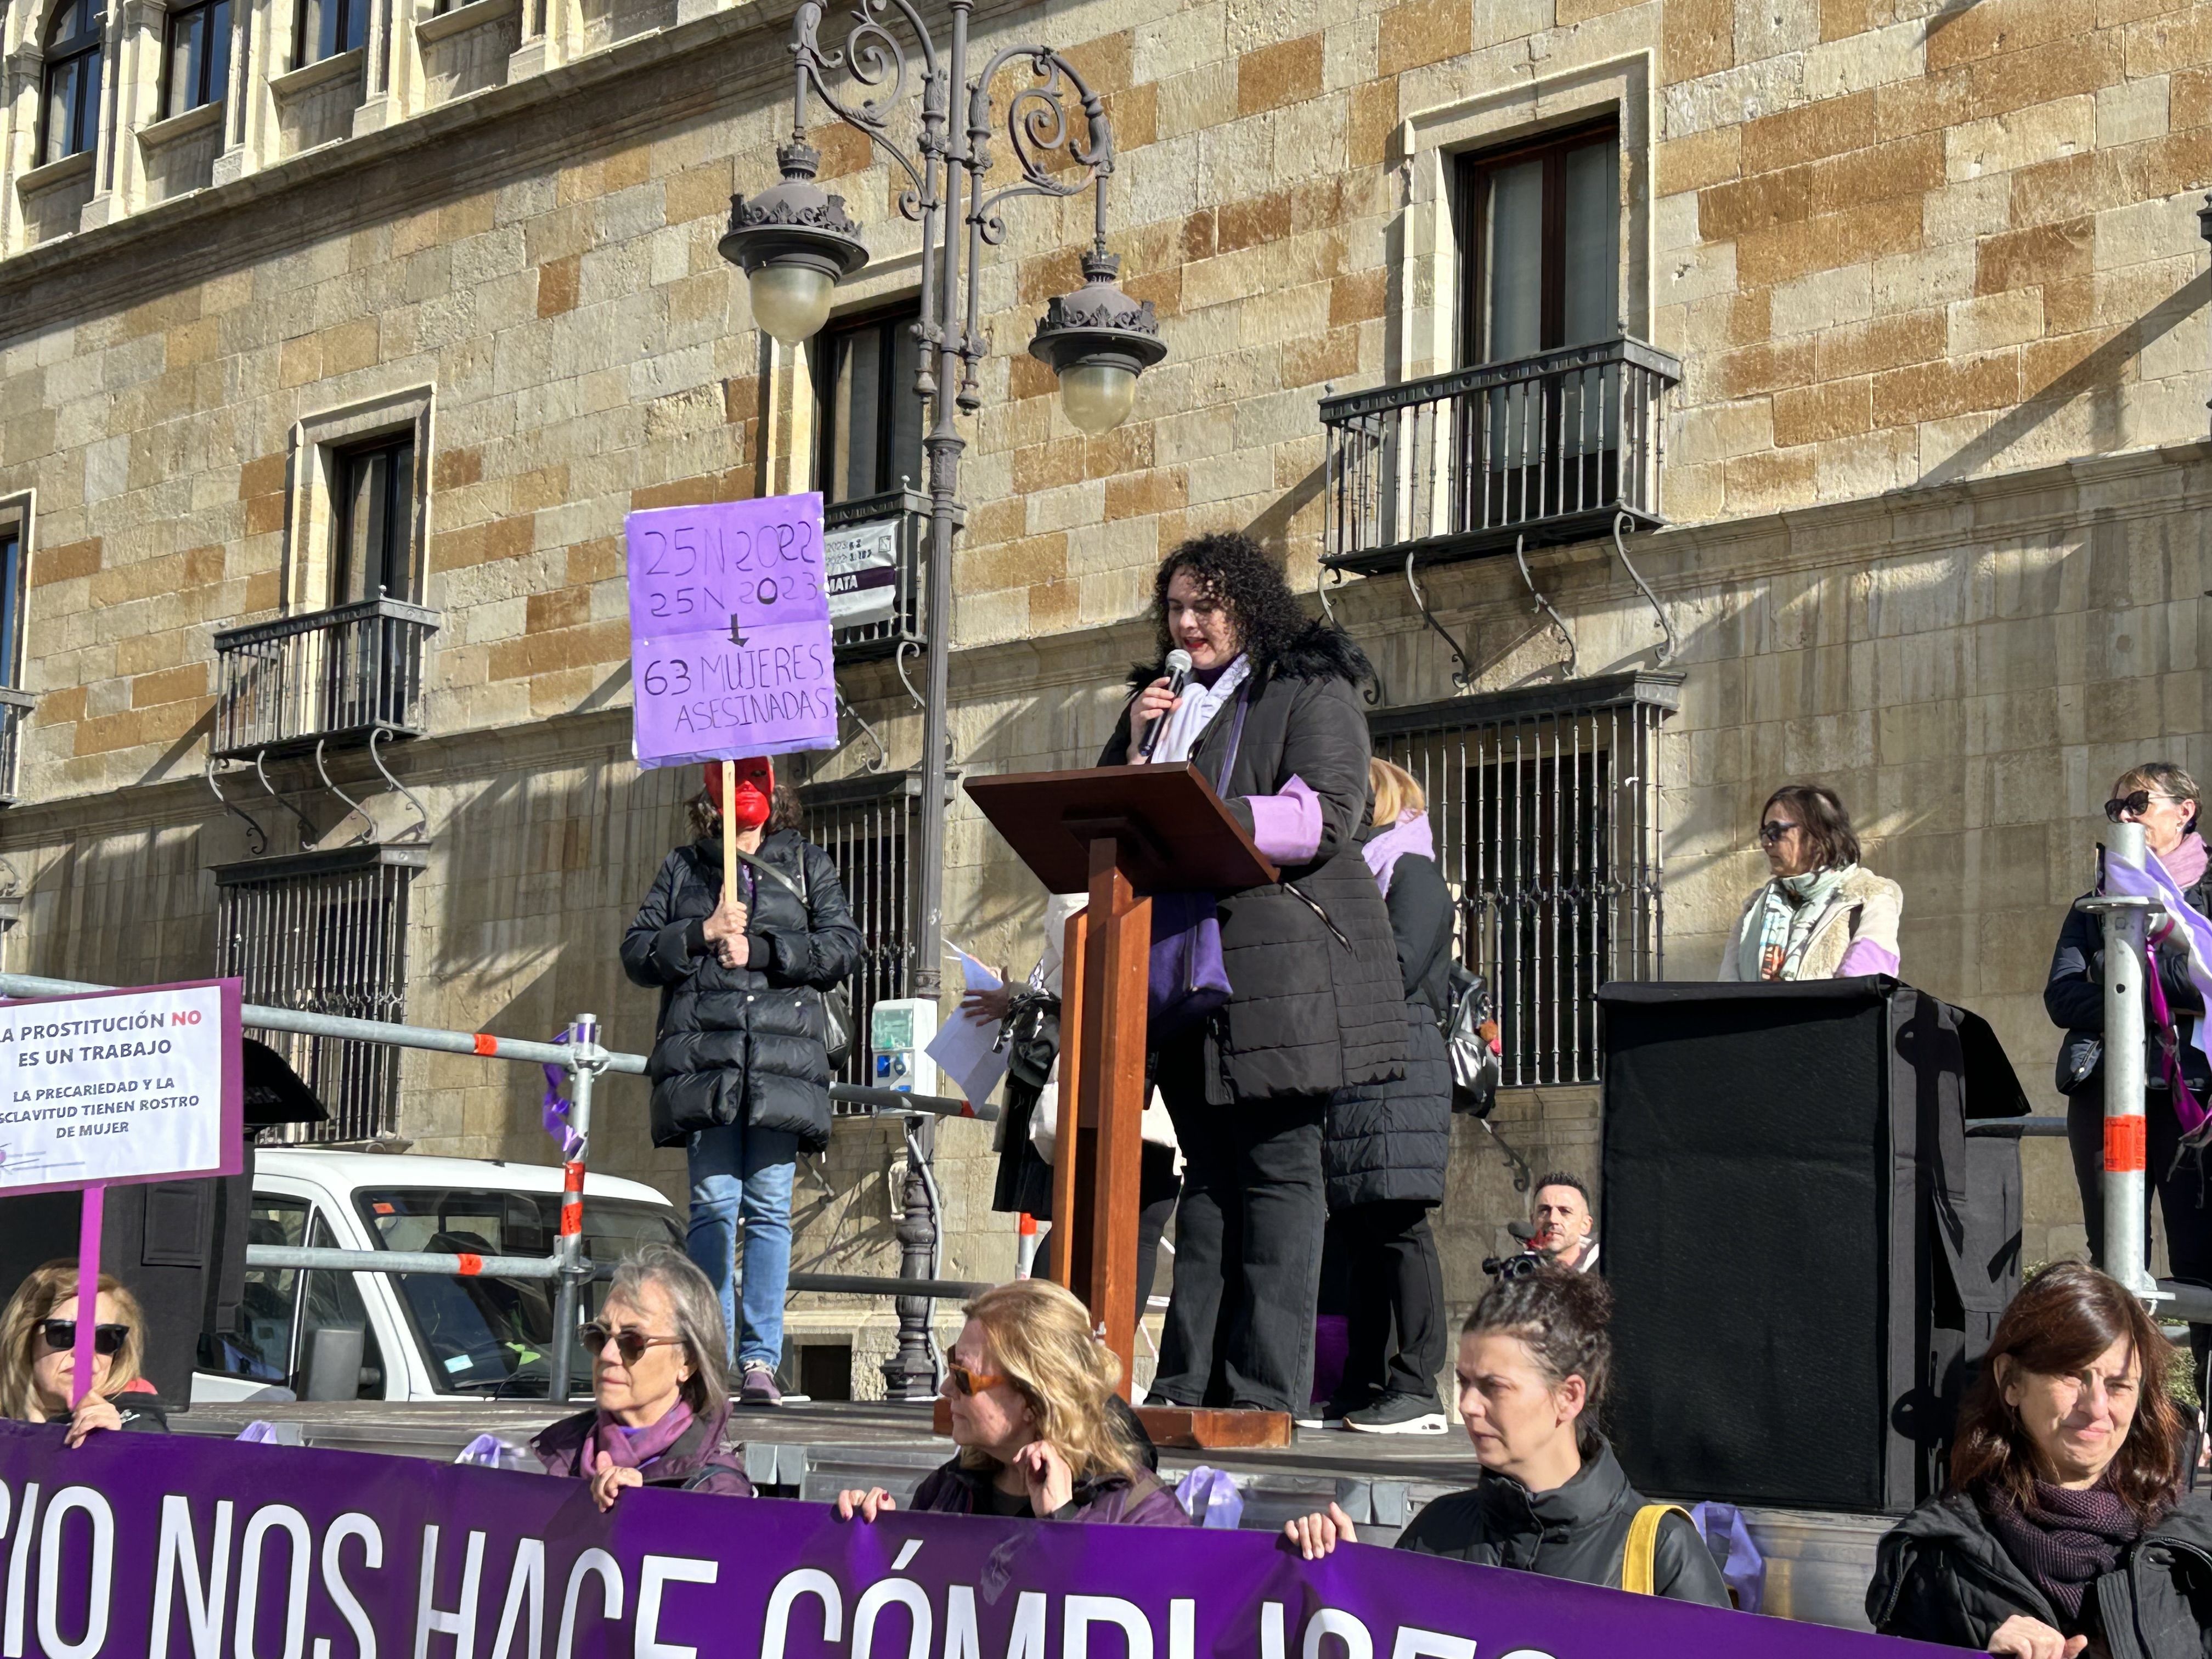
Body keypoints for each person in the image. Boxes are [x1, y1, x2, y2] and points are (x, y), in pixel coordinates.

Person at [1103, 531, 1406, 1415]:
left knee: (1277, 1180)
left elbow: (1326, 814)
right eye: (1176, 608)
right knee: (1210, 1181)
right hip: (1187, 979)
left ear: (1251, 607)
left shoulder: (1307, 685)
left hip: (1283, 975)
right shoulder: (1159, 705)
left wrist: (1199, 814)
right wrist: (1133, 745)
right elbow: (1109, 816)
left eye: (1206, 606)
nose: (1188, 624)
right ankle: (1187, 1386)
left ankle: (1263, 1395)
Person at [623, 758, 862, 1407]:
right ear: (712, 796)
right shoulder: (685, 868)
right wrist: (700, 933)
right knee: (714, 1209)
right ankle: (710, 1353)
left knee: (767, 1209)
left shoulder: (808, 864)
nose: (749, 795)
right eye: (737, 783)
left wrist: (764, 950)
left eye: (758, 781)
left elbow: (844, 945)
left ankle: (759, 1359)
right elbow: (637, 954)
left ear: (775, 794)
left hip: (781, 1067)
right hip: (707, 1065)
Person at [1281, 1266, 1730, 1606]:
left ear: (1569, 1397)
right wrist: (1352, 1587)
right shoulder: (1435, 1532)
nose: (1468, 1405)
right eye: (1465, 1382)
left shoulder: (1661, 1553)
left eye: (1493, 1387)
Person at [1869, 1262, 2212, 1656]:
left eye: (2119, 1385)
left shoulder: (2194, 1544)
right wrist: (1976, 1654)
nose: (2097, 1407)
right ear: (2011, 1381)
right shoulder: (1939, 1558)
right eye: (2071, 1375)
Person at [2047, 764, 2212, 1374]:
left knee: (2200, 1258)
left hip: (2193, 1097)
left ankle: (2207, 1423)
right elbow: (2061, 997)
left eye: (2138, 802)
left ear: (2185, 810)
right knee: (2114, 1258)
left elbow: (2207, 980)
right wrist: (2153, 993)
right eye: (2115, 806)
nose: (2124, 815)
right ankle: (2128, 1404)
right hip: (2105, 1091)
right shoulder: (2094, 900)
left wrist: (2120, 986)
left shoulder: (2208, 893)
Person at [969, 894, 1183, 1334]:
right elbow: (1092, 961)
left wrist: (1016, 996)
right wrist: (1018, 997)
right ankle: (1043, 1355)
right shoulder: (1091, 869)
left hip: (1149, 1059)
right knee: (1087, 1217)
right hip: (1111, 1063)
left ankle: (1085, 1361)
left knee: (1135, 1217)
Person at [1316, 758, 1454, 1435]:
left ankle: (1419, 1382)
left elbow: (1397, 963)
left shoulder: (1415, 872)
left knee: (1399, 1224)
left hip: (1401, 1064)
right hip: (1360, 1064)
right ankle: (1364, 1381)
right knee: (1363, 1230)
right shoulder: (1361, 872)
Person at [832, 1279, 1190, 1525]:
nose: (945, 1388)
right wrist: (883, 1540)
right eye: (951, 1366)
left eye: (964, 1376)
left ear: (1033, 1400)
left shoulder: (1141, 1512)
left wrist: (1062, 1521)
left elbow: (1151, 1623)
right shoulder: (946, 1491)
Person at [528, 1245, 753, 1507]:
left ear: (688, 1361)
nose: (608, 1355)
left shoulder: (718, 1490)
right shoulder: (553, 1455)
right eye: (598, 1336)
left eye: (633, 1341)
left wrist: (647, 1510)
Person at [1717, 783, 1901, 981]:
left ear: (1818, 834)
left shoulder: (1868, 895)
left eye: (1775, 831)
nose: (1765, 843)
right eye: (1763, 833)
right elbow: (1728, 987)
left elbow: (1865, 983)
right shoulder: (1754, 908)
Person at [0, 1261, 167, 1443]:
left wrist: (116, 1447)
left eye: (106, 1337)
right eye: (63, 1333)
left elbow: (161, 1462)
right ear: (25, 1338)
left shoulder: (135, 1417)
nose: (84, 1354)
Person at [1530, 1172, 1599, 1272]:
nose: (1553, 1219)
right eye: (1544, 1210)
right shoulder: (1518, 1276)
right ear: (1533, 1221)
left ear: (1585, 1225)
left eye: (1565, 1211)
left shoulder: (1608, 1273)